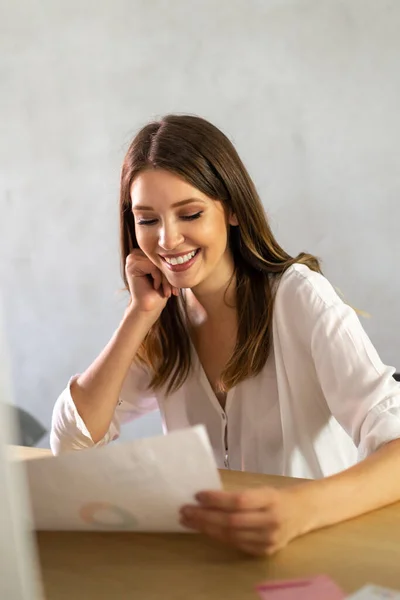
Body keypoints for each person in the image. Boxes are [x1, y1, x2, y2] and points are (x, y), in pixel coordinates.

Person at [51, 114, 400, 556]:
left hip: (316, 550)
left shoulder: (298, 297)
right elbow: (72, 441)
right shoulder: (163, 315)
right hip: (216, 557)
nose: (167, 240)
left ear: (232, 209)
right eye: (147, 220)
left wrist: (300, 509)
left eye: (190, 213)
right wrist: (138, 316)